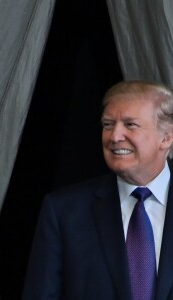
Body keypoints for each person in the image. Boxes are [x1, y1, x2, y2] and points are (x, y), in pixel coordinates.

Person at [22, 80, 173, 300]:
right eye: (108, 124)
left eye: (130, 124)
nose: (114, 136)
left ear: (166, 137)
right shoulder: (64, 211)